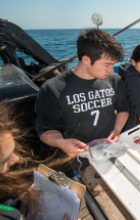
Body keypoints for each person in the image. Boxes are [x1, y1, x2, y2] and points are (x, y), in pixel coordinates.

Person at [35, 29, 129, 158]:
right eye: (107, 65)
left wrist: (117, 130)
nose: (111, 70)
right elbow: (44, 130)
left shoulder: (114, 80)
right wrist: (62, 143)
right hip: (79, 158)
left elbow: (123, 109)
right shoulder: (52, 89)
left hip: (111, 148)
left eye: (113, 65)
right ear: (86, 60)